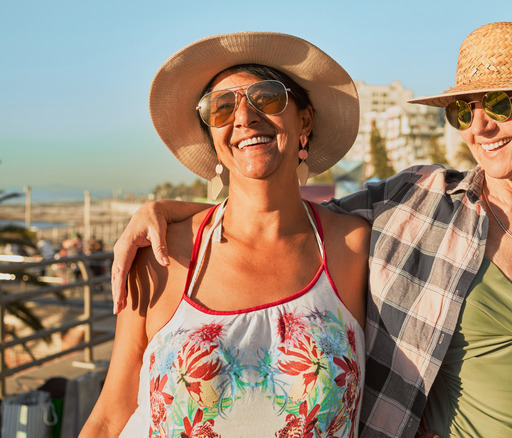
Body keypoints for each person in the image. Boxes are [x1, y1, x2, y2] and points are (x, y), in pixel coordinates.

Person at [110, 22, 512, 438]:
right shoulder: (420, 203)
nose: (480, 126)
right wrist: (170, 210)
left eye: (500, 104)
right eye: (464, 110)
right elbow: (277, 209)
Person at [82, 31, 369, 437]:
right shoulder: (160, 258)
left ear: (304, 120)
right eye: (221, 107)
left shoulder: (354, 249)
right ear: (214, 141)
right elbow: (111, 416)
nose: (244, 117)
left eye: (267, 98)